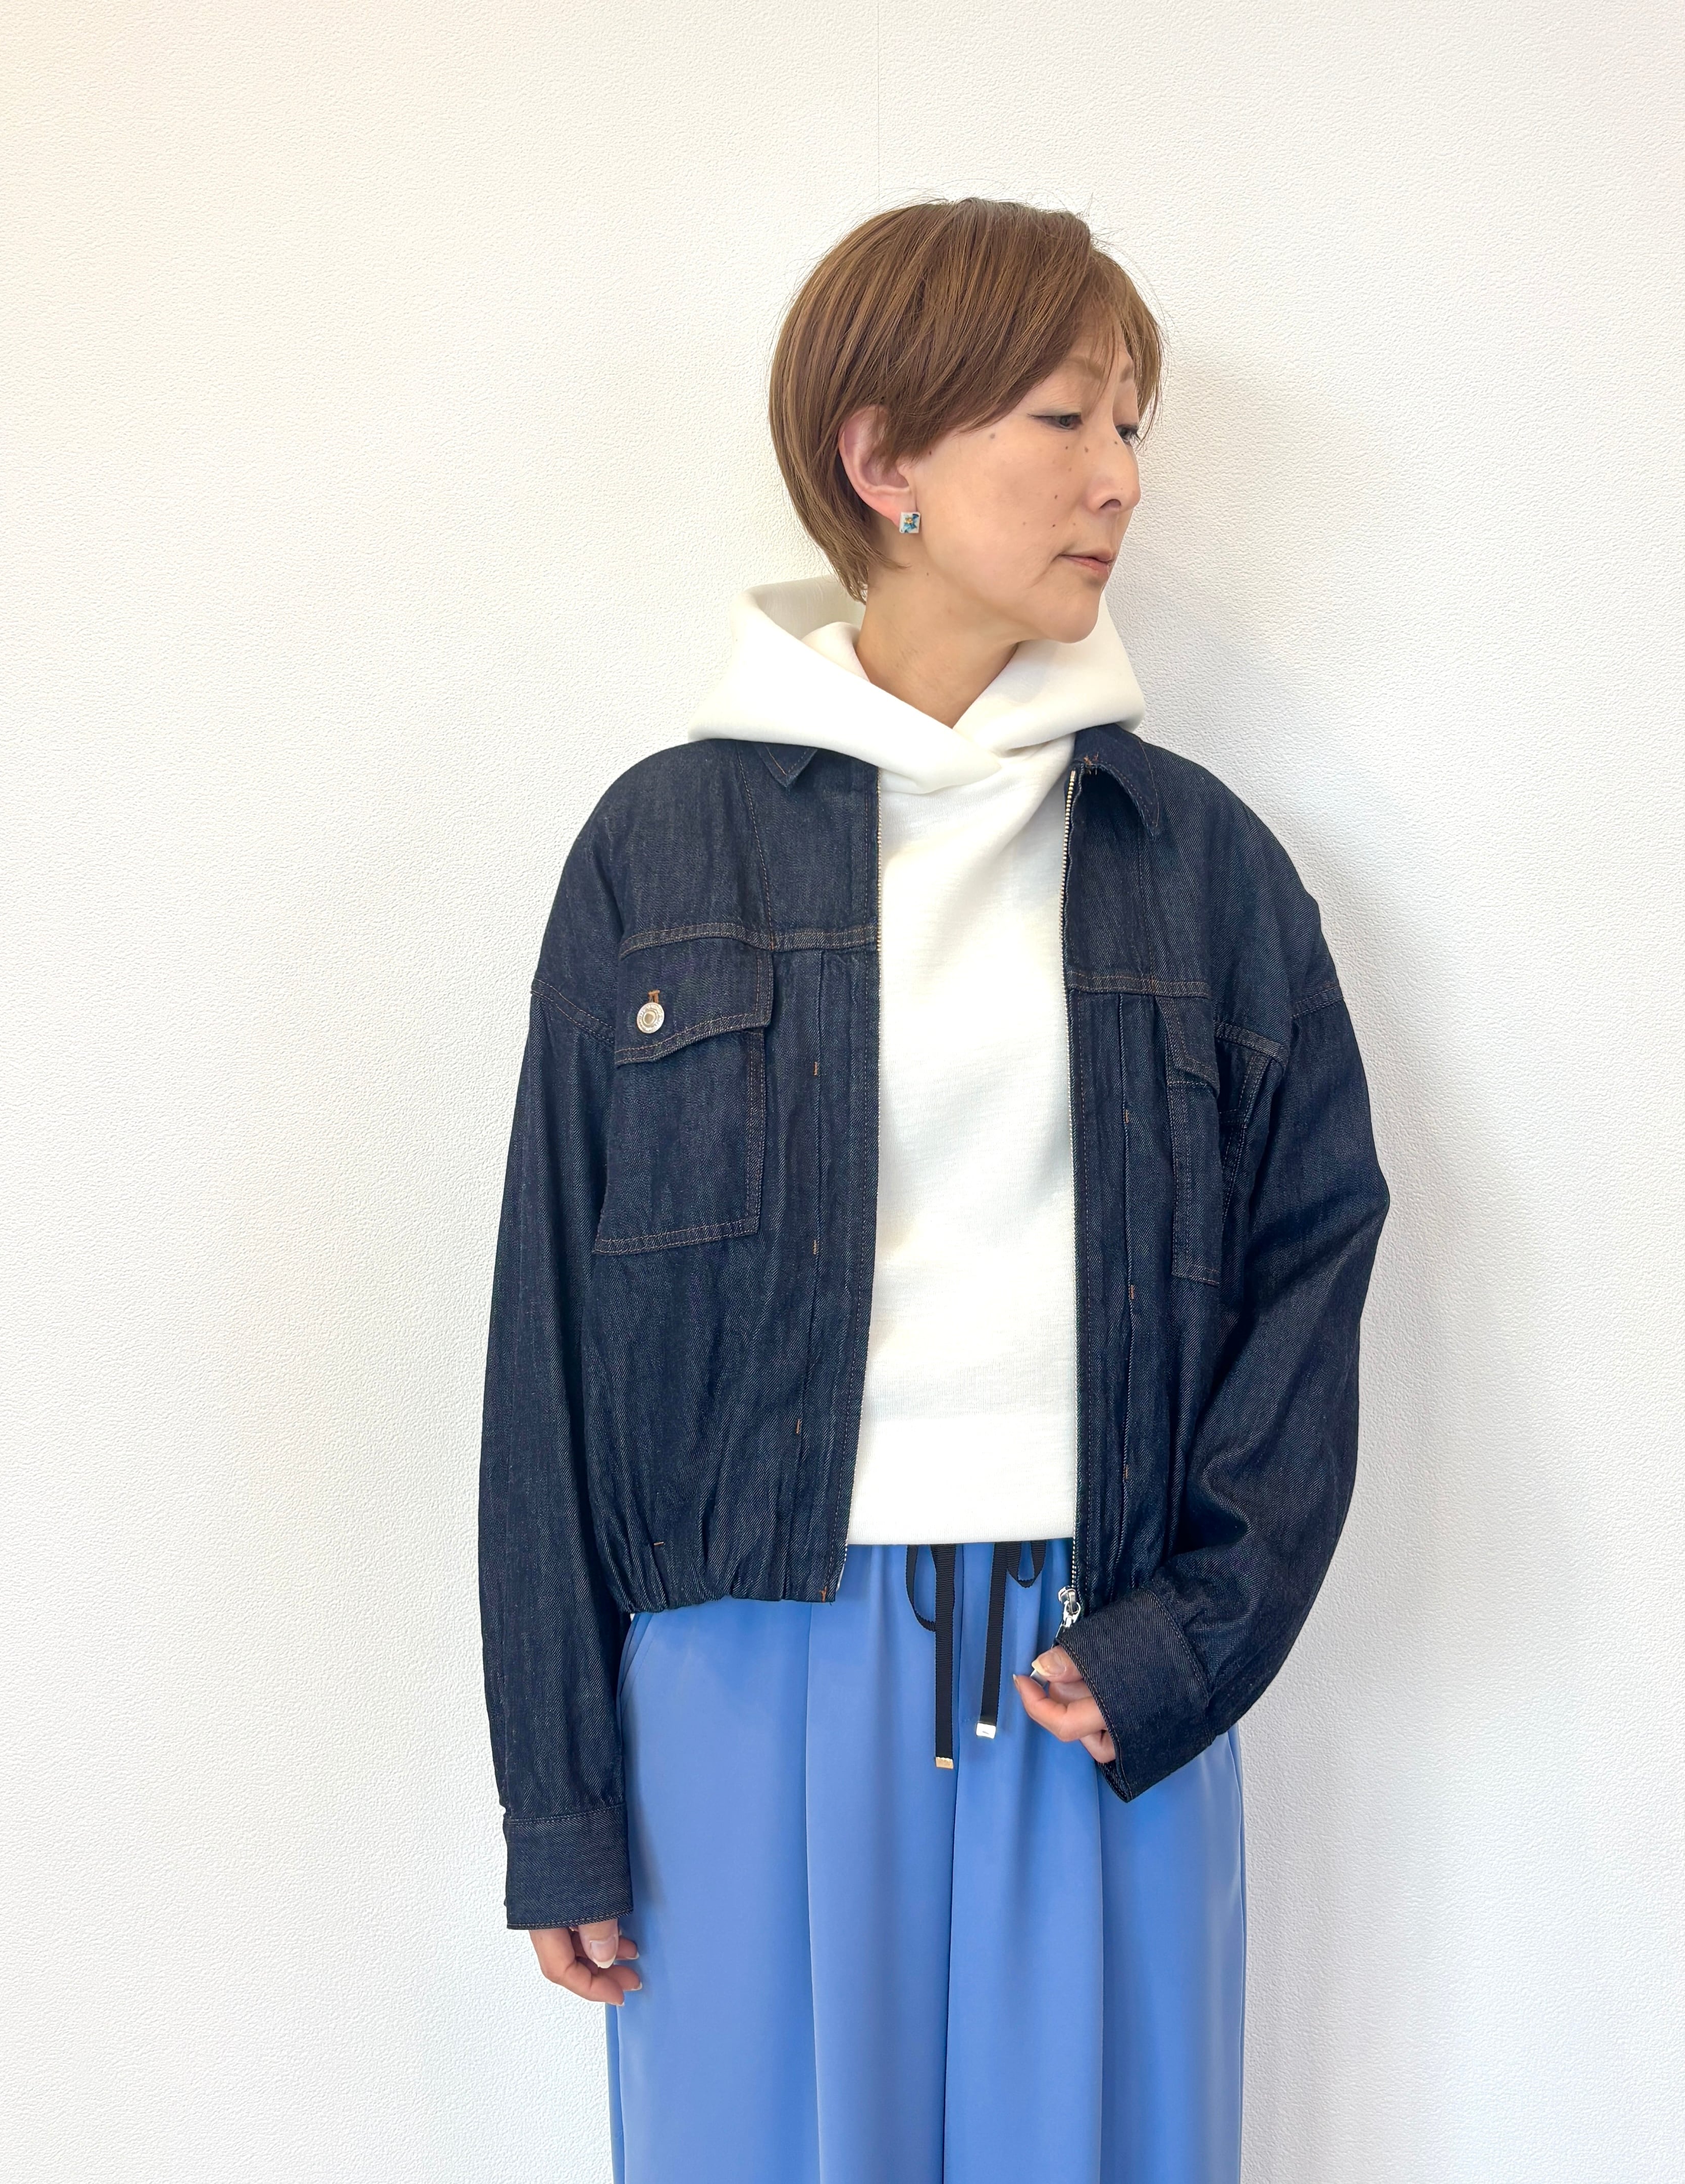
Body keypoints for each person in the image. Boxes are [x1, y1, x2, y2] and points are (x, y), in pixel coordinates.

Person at [477, 196, 1391, 2182]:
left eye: (1131, 425)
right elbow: (548, 1331)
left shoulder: (1202, 866)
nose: (1120, 478)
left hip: (1098, 1671)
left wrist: (1196, 1634)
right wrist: (559, 1793)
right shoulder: (664, 848)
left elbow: (1312, 1271)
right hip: (739, 1681)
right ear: (882, 455)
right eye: (1065, 419)